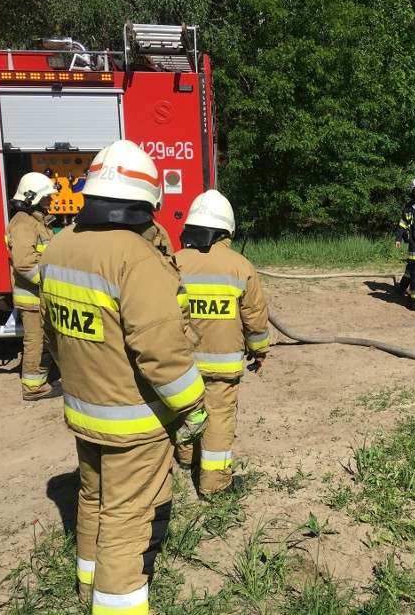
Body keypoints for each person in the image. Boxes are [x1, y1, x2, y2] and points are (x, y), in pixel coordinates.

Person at [39, 140, 207, 612]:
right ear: (144, 203)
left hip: (84, 411)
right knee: (127, 522)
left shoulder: (59, 246)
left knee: (92, 501)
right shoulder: (136, 259)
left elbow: (53, 334)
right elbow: (161, 351)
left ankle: (86, 586)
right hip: (136, 426)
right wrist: (193, 406)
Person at [174, 190, 270, 496]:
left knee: (187, 409)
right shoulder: (240, 266)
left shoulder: (171, 263)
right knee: (219, 420)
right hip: (222, 366)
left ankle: (187, 458)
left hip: (180, 364)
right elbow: (255, 320)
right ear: (226, 230)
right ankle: (215, 484)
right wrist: (259, 352)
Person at [6, 172, 61, 401]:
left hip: (40, 296)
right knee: (36, 342)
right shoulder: (24, 223)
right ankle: (34, 388)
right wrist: (51, 282)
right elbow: (24, 262)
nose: (50, 200)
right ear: (32, 197)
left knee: (49, 339)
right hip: (33, 298)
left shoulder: (36, 221)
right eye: (46, 197)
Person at [395, 177, 415, 294]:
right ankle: (407, 289)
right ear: (412, 190)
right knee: (413, 265)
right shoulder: (408, 207)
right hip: (413, 241)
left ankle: (404, 288)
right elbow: (402, 223)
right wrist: (398, 238)